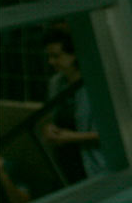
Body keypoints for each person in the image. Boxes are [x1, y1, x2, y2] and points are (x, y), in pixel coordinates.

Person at [42, 25, 108, 181]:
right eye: (49, 56)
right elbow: (54, 117)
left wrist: (73, 137)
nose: (51, 62)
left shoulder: (96, 85)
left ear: (74, 55)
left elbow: (112, 132)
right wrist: (50, 129)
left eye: (57, 56)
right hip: (66, 161)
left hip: (94, 162)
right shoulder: (56, 83)